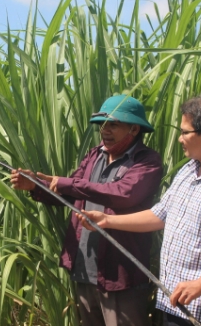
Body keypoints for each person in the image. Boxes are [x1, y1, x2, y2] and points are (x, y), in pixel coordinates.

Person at [78, 94, 201, 325]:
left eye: (185, 132)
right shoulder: (187, 172)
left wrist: (200, 284)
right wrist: (107, 220)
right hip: (172, 301)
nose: (180, 138)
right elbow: (159, 214)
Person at [11, 95, 163, 326]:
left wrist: (63, 182)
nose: (105, 130)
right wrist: (36, 185)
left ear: (134, 129)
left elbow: (122, 194)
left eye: (113, 124)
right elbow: (73, 193)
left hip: (120, 274)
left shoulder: (147, 161)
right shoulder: (95, 155)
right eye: (102, 125)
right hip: (84, 267)